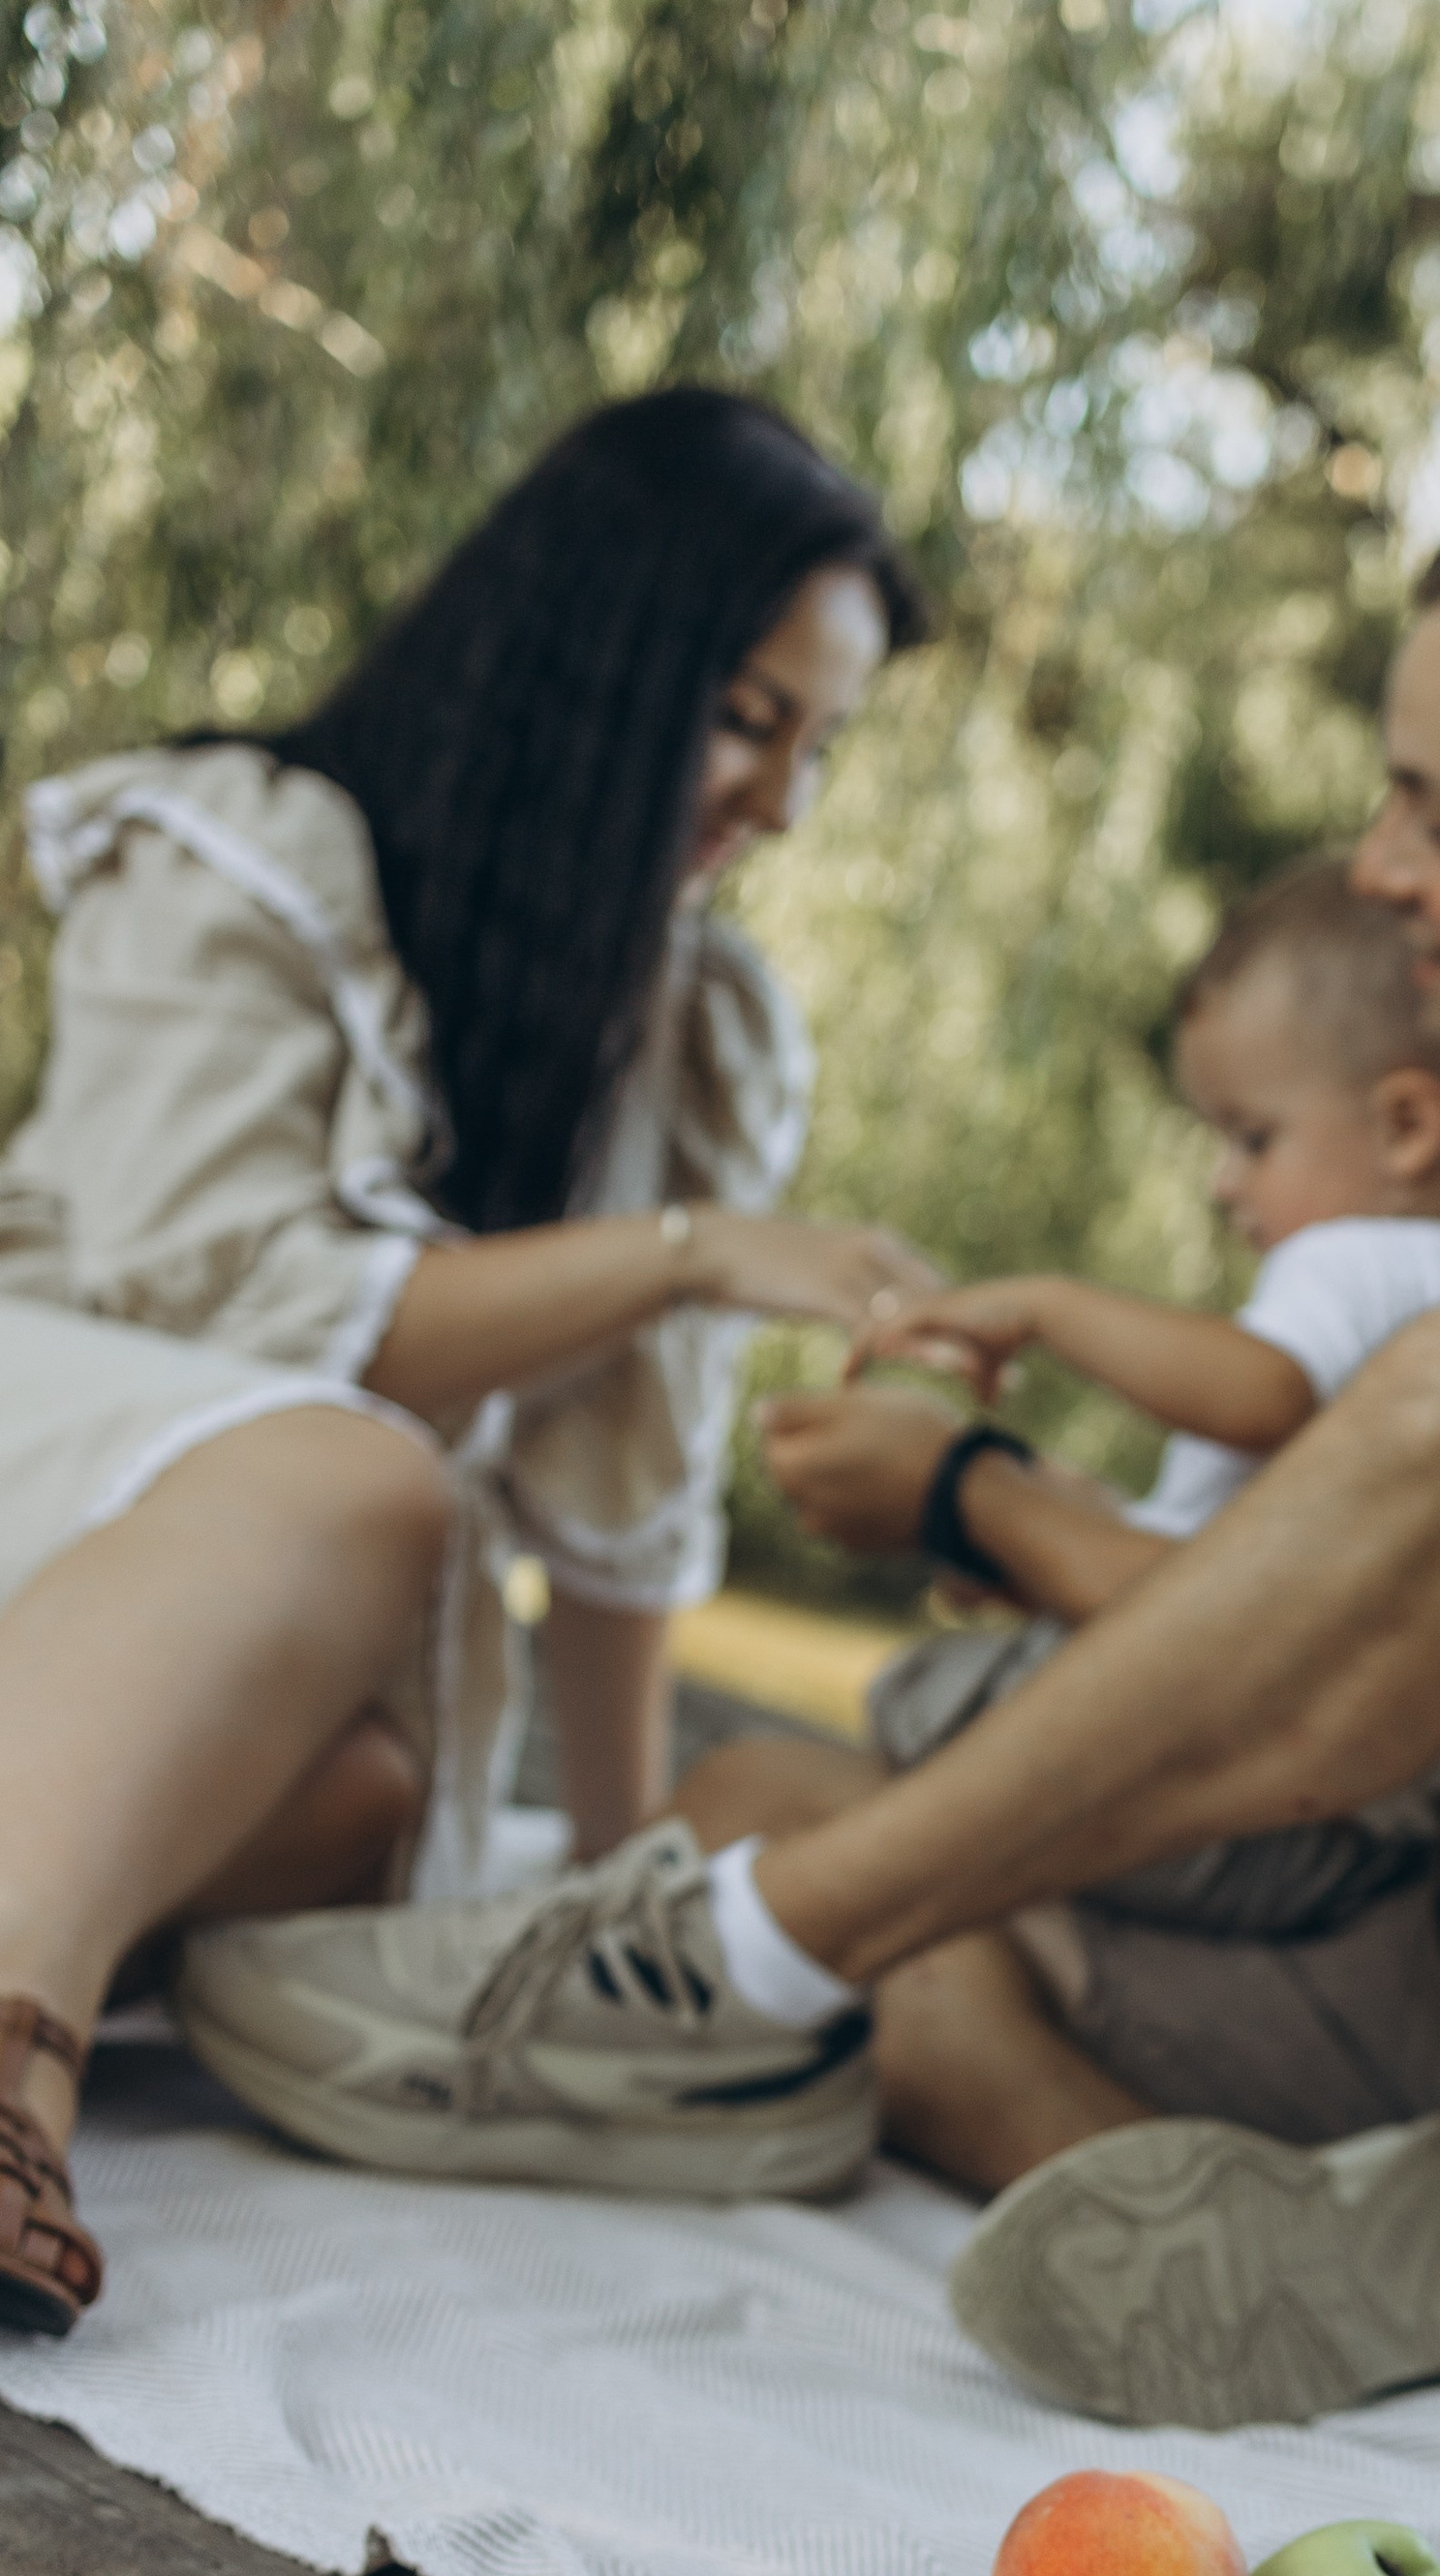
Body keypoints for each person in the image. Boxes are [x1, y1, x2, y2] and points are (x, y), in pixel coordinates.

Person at [174, 484, 1440, 2444]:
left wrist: (980, 1501)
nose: (1378, 868)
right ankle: (1237, 2223)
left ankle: (738, 1962)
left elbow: (1368, 1706)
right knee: (757, 1802)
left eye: (1433, 815)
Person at [0, 387, 934, 2339]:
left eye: (819, 745)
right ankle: (15, 2064)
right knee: (364, 1481)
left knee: (366, 1803)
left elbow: (618, 1506)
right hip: (63, 1462)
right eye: (749, 718)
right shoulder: (246, 850)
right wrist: (682, 1257)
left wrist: (616, 1891)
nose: (783, 802)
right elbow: (221, 1316)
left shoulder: (688, 1025)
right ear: (600, 662)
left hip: (242, 1635)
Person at [845, 854, 1440, 1948]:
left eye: (1253, 1138)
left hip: (1209, 1784)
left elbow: (1259, 1396)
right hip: (1335, 1829)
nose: (1220, 1183)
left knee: (916, 1704)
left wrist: (1046, 1308)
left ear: (1405, 1129)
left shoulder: (1356, 1259)